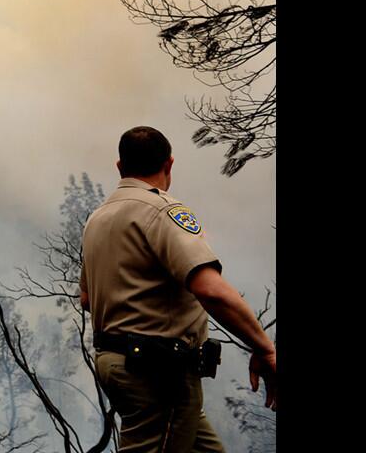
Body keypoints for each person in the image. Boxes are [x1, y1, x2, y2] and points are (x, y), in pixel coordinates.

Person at [79, 126, 276, 453]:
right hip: (159, 374)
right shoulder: (163, 212)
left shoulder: (98, 220)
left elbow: (88, 298)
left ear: (120, 167)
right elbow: (210, 290)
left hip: (116, 363)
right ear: (169, 165)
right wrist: (265, 348)